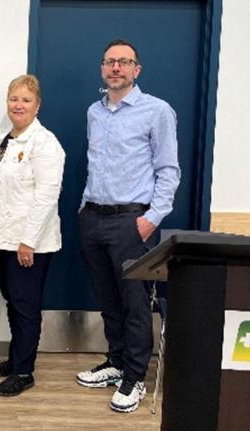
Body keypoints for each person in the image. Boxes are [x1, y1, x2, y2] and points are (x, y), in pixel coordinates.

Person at [75, 39, 180, 413]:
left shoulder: (157, 112)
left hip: (130, 222)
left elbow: (168, 171)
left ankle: (135, 377)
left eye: (124, 62)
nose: (116, 67)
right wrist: (85, 204)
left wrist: (151, 220)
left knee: (134, 303)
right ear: (102, 68)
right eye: (110, 62)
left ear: (137, 69)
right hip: (93, 219)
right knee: (108, 299)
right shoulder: (94, 112)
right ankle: (117, 362)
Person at [0, 75, 65, 396]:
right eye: (13, 99)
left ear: (37, 105)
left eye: (26, 100)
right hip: (2, 238)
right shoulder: (2, 139)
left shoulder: (45, 144)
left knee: (26, 305)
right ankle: (15, 358)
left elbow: (46, 196)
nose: (18, 105)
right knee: (13, 302)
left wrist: (28, 240)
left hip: (29, 243)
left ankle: (24, 371)